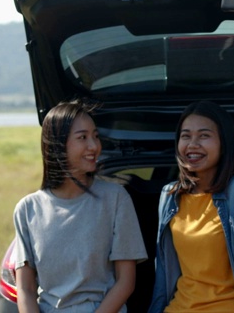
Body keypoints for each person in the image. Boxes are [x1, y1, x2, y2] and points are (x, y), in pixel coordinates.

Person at [13, 98, 148, 313]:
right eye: (82, 137)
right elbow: (26, 288)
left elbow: (126, 282)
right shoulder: (27, 209)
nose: (94, 146)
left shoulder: (116, 199)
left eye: (95, 136)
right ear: (57, 144)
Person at [148, 100, 234, 313]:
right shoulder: (169, 195)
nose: (192, 144)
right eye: (186, 136)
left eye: (204, 136)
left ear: (224, 143)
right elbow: (163, 273)